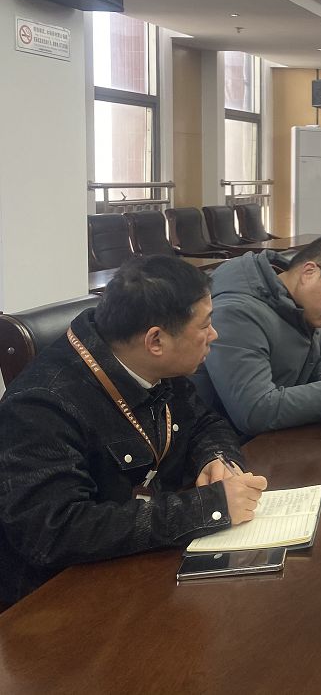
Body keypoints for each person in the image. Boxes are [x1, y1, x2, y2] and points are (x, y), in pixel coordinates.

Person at [0, 255, 268, 606]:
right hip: (65, 601)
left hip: (143, 564)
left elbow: (204, 422)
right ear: (155, 341)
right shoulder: (40, 405)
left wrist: (216, 459)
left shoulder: (149, 363)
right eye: (205, 325)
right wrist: (207, 508)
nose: (214, 335)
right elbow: (54, 532)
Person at [192, 235, 321, 437]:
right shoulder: (237, 313)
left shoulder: (294, 302)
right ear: (309, 272)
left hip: (276, 436)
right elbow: (256, 412)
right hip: (230, 446)